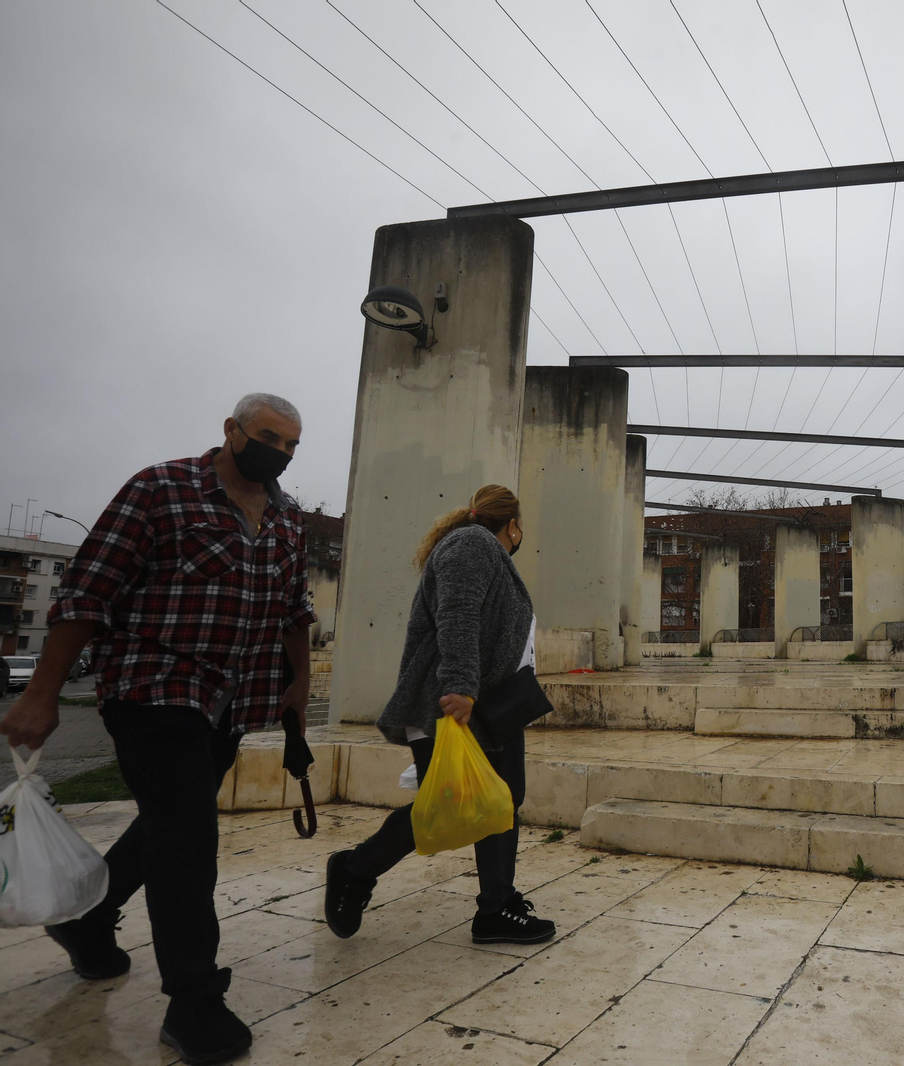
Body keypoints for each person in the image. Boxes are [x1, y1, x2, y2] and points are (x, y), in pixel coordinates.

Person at [0, 393, 315, 1066]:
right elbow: (87, 592)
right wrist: (42, 692)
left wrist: (299, 686)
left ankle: (86, 923)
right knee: (190, 838)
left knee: (171, 825)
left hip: (233, 698)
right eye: (268, 438)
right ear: (231, 432)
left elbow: (295, 609)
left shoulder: (288, 518)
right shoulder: (160, 490)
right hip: (153, 686)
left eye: (291, 445)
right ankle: (194, 1002)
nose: (280, 453)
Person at [323, 484, 553, 946]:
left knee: (502, 801)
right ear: (511, 524)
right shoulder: (472, 545)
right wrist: (460, 687)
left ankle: (496, 908)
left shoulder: (485, 551)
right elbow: (458, 616)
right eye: (521, 525)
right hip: (451, 701)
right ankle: (352, 869)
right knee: (445, 805)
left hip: (490, 702)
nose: (522, 533)